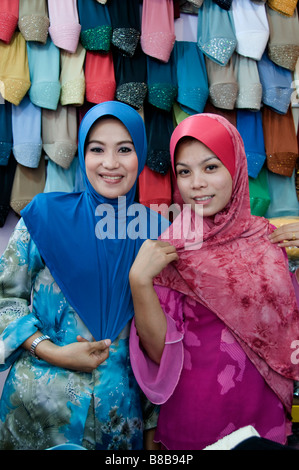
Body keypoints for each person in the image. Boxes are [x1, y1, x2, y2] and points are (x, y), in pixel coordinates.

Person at [0, 101, 168, 450]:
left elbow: (163, 339)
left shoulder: (157, 234)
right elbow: (5, 298)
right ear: (82, 153)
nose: (110, 163)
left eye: (125, 149)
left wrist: (153, 426)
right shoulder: (43, 216)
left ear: (141, 154)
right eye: (97, 149)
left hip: (120, 417)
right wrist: (49, 350)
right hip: (39, 411)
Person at [129, 113, 299, 450]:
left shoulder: (269, 238)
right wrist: (139, 282)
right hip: (196, 419)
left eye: (211, 167)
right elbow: (159, 351)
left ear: (235, 168)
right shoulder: (169, 248)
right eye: (184, 172)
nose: (196, 184)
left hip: (262, 414)